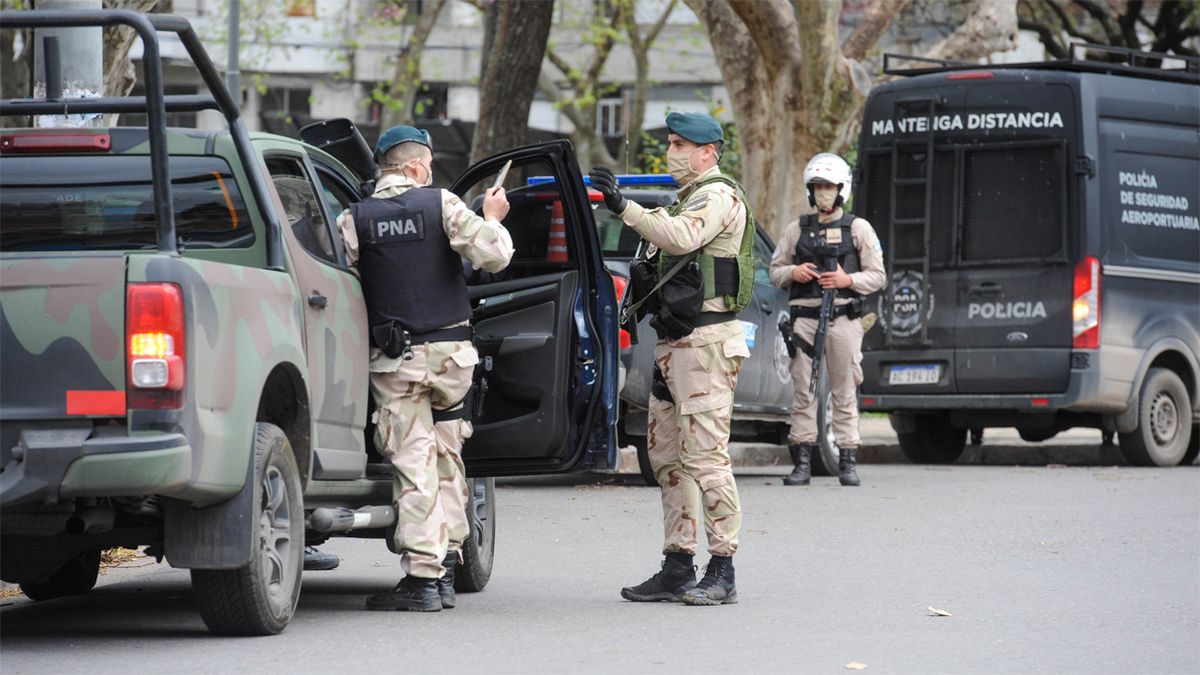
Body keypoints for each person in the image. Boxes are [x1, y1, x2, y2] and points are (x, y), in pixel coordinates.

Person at [335, 125, 514, 611]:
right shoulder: (443, 205)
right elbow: (496, 256)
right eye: (429, 163)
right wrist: (493, 217)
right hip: (454, 359)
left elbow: (335, 284)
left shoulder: (354, 219)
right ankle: (449, 560)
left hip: (400, 361)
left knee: (413, 464)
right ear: (416, 166)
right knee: (446, 456)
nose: (431, 171)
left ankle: (422, 579)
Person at [589, 111, 754, 606]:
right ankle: (678, 564)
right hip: (675, 345)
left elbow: (681, 238)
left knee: (706, 460)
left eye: (682, 143)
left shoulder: (717, 194)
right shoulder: (687, 198)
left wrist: (622, 205)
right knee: (668, 461)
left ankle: (722, 569)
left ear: (709, 151)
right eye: (671, 143)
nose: (672, 151)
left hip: (704, 347)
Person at [768, 153, 886, 487]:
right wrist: (795, 271)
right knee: (804, 389)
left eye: (829, 186)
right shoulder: (797, 229)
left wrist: (847, 281)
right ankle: (802, 460)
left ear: (841, 189)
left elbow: (878, 276)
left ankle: (847, 458)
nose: (823, 192)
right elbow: (775, 271)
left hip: (843, 318)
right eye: (818, 186)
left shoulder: (858, 228)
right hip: (805, 320)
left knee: (845, 388)